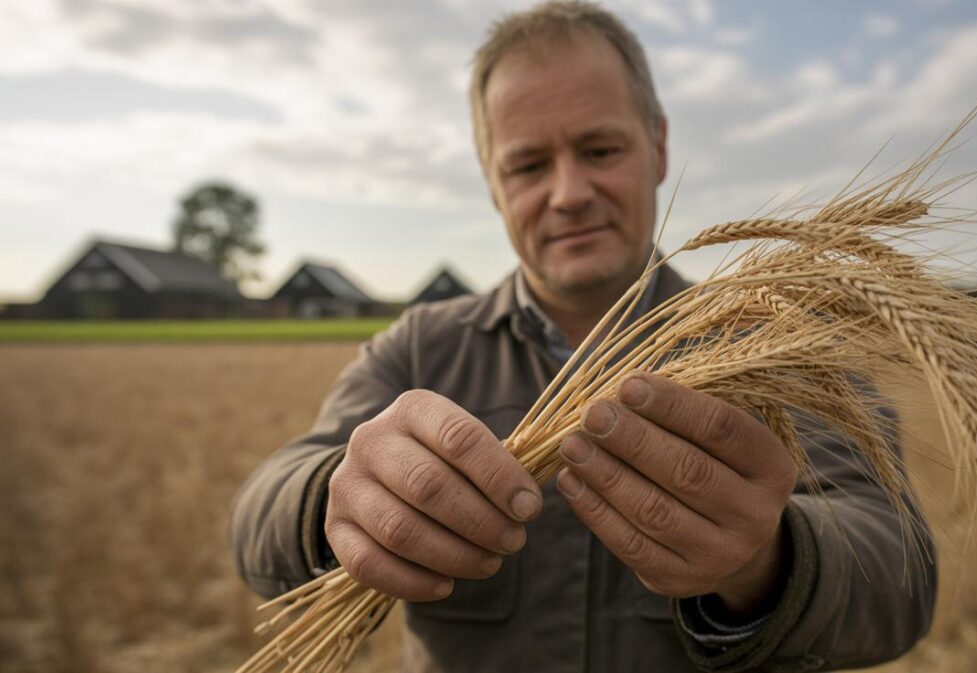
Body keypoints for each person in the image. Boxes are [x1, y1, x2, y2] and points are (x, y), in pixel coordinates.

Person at [229, 2, 936, 671]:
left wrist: (767, 562)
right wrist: (331, 501)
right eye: (528, 165)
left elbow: (901, 576)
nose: (568, 193)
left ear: (658, 147)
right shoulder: (421, 347)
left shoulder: (774, 345)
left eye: (599, 150)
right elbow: (257, 518)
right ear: (493, 184)